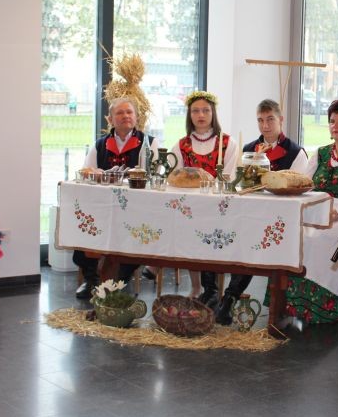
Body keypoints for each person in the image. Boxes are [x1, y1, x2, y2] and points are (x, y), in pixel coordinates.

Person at [267, 99, 338, 324]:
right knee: (292, 236)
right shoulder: (320, 153)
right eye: (332, 121)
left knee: (318, 239)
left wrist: (336, 214)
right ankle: (286, 304)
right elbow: (304, 185)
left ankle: (320, 308)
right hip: (317, 209)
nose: (335, 125)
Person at [213, 99, 308, 324]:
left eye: (270, 119)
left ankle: (235, 299)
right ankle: (224, 297)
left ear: (281, 120)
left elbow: (297, 188)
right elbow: (236, 183)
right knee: (232, 238)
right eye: (260, 120)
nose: (265, 126)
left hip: (281, 220)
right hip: (250, 216)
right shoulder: (248, 150)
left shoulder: (296, 153)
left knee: (252, 240)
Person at [73, 96, 160, 299]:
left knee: (137, 231)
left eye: (129, 112)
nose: (125, 116)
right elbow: (87, 172)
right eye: (119, 113)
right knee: (86, 225)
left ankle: (119, 280)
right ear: (110, 119)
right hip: (103, 207)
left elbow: (154, 175)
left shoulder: (149, 143)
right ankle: (91, 278)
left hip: (136, 208)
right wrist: (94, 173)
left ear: (136, 117)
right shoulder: (100, 144)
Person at [170, 90, 239, 300]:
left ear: (213, 113)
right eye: (195, 111)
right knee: (189, 229)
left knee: (210, 229)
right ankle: (196, 286)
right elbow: (173, 176)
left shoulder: (227, 143)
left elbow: (230, 177)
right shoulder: (181, 145)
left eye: (206, 110)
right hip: (190, 208)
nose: (201, 115)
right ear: (189, 115)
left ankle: (212, 289)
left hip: (218, 207)